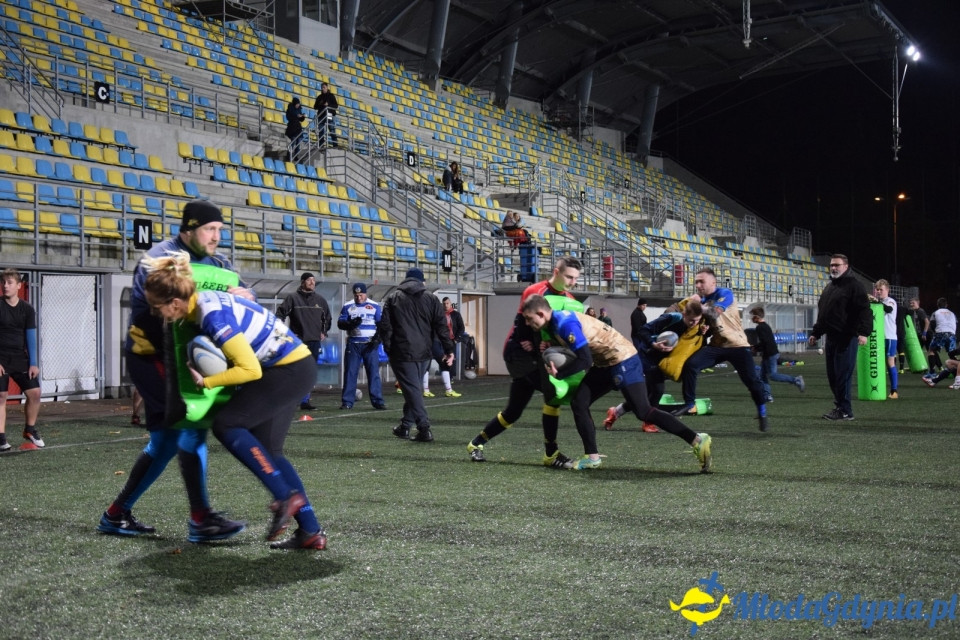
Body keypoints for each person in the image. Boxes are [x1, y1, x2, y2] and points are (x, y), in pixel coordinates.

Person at [141, 251, 327, 550]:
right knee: (270, 450)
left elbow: (249, 370)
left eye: (157, 307)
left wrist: (208, 381)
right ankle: (311, 532)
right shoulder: (200, 301)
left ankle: (284, 497)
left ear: (174, 303)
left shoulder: (211, 318)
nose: (157, 313)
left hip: (286, 369)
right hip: (294, 364)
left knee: (227, 425)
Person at [98, 200, 249, 542]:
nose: (216, 237)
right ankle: (201, 519)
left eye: (220, 230)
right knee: (190, 426)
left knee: (166, 442)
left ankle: (116, 514)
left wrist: (243, 295)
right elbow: (151, 312)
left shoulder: (220, 262)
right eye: (210, 229)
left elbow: (245, 293)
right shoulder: (160, 258)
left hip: (185, 357)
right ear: (189, 229)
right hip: (153, 354)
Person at [521, 295, 713, 472]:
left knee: (643, 411)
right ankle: (592, 457)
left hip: (622, 358)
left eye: (530, 319)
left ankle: (696, 439)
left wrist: (560, 373)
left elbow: (584, 360)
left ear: (540, 313)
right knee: (579, 402)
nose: (528, 324)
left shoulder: (564, 323)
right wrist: (550, 345)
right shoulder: (553, 323)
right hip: (606, 360)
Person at [466, 256, 582, 466]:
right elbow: (523, 324)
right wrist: (529, 341)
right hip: (518, 354)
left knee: (514, 411)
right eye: (569, 277)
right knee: (552, 395)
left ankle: (476, 443)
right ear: (556, 272)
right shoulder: (535, 291)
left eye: (575, 278)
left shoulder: (570, 298)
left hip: (537, 357)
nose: (572, 282)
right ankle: (551, 455)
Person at [673, 267, 771, 432]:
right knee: (691, 365)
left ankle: (762, 411)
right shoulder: (701, 300)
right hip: (717, 346)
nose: (698, 285)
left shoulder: (725, 293)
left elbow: (714, 314)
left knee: (752, 382)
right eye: (696, 282)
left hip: (737, 345)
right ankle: (689, 404)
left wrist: (698, 305)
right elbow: (687, 315)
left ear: (713, 282)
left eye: (701, 281)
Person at [603, 301, 705, 433]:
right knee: (657, 390)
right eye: (691, 320)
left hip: (661, 359)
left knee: (645, 393)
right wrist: (653, 344)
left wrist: (701, 332)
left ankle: (616, 412)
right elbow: (643, 331)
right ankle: (648, 423)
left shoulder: (695, 326)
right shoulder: (671, 318)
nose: (694, 323)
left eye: (697, 321)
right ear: (684, 313)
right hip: (648, 355)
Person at [381, 269, 455, 442]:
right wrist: (448, 350)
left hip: (402, 351)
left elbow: (386, 326)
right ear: (422, 281)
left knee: (412, 389)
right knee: (412, 388)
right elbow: (441, 327)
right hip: (424, 352)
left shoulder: (393, 298)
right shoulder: (431, 298)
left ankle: (424, 428)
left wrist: (389, 347)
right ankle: (405, 427)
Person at [807, 254, 872, 421]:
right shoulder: (829, 287)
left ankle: (845, 410)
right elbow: (824, 314)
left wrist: (864, 332)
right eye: (831, 265)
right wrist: (816, 332)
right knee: (833, 376)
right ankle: (841, 408)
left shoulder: (854, 286)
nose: (833, 268)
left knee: (842, 375)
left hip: (847, 337)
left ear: (846, 266)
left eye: (837, 265)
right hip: (831, 338)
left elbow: (864, 310)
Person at [0, 268, 43, 451]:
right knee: (1, 395)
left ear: (19, 285)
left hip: (19, 357)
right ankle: (1, 438)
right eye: (3, 282)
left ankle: (30, 429)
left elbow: (31, 337)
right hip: (1, 358)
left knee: (35, 393)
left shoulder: (27, 309)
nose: (5, 286)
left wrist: (33, 362)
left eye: (9, 283)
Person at [276, 272, 331, 411]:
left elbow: (327, 318)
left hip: (314, 341)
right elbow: (279, 314)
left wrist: (323, 332)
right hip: (298, 342)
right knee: (295, 371)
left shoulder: (320, 300)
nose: (312, 282)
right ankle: (290, 400)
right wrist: (285, 334)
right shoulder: (293, 298)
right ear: (302, 282)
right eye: (309, 280)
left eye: (313, 280)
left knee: (309, 372)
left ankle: (305, 401)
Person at [336, 283, 386, 411]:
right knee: (350, 373)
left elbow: (381, 325)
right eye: (356, 295)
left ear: (365, 293)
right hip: (354, 344)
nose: (359, 298)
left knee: (373, 373)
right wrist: (349, 324)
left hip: (369, 344)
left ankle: (378, 401)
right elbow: (340, 323)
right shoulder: (348, 306)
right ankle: (347, 402)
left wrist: (377, 339)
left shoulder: (374, 306)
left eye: (361, 295)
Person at [749, 307, 805, 402]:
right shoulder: (766, 326)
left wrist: (755, 347)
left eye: (752, 316)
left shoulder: (760, 328)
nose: (751, 318)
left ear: (756, 317)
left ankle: (795, 380)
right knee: (762, 376)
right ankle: (767, 395)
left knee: (772, 375)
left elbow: (765, 342)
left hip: (769, 354)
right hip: (770, 353)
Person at [424, 297, 465, 398]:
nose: (445, 305)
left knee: (427, 365)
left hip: (431, 342)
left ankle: (426, 390)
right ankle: (447, 390)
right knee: (443, 363)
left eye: (447, 303)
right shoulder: (437, 316)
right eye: (443, 304)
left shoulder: (430, 314)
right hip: (435, 342)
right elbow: (442, 331)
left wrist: (455, 340)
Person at [869, 280, 898, 399]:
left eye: (881, 289)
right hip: (879, 337)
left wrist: (875, 301)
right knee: (879, 364)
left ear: (887, 290)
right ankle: (880, 389)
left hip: (889, 337)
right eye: (877, 289)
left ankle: (894, 391)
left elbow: (889, 309)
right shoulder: (878, 303)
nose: (879, 291)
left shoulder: (890, 301)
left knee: (890, 362)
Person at [926, 297, 956, 374]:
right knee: (951, 353)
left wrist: (935, 332)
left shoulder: (936, 312)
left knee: (931, 350)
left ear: (937, 305)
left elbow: (932, 323)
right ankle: (956, 372)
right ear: (946, 305)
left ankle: (932, 372)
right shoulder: (952, 313)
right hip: (951, 334)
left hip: (941, 333)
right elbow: (956, 323)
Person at [313, 82, 339, 148]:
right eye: (322, 88)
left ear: (327, 88)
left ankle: (335, 145)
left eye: (324, 87)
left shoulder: (331, 96)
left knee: (332, 129)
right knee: (321, 130)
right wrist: (321, 104)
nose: (323, 89)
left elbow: (335, 106)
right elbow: (315, 106)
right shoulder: (319, 97)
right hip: (321, 115)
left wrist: (328, 105)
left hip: (329, 114)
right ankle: (321, 145)